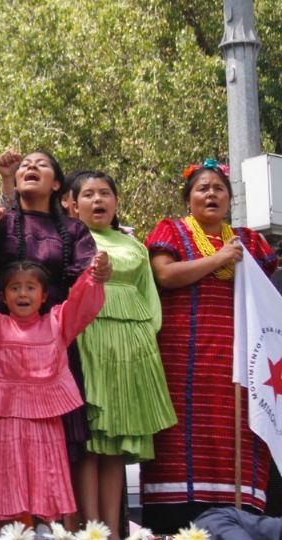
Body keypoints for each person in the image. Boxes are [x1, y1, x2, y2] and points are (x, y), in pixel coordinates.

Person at [140, 159, 279, 533]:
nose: (211, 194)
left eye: (219, 188)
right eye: (203, 188)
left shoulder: (249, 241)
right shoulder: (171, 230)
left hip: (239, 364)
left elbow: (266, 290)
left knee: (238, 434)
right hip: (183, 359)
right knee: (179, 438)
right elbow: (165, 274)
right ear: (189, 199)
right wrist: (218, 259)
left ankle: (239, 516)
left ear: (230, 200)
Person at [0, 254, 110, 530]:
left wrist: (93, 276)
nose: (23, 293)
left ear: (44, 295)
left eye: (30, 287)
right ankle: (11, 532)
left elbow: (81, 305)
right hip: (6, 416)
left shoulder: (58, 322)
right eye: (15, 287)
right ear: (4, 296)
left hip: (48, 417)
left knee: (47, 472)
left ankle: (48, 529)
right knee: (7, 473)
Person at [69, 171, 176, 537]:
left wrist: (146, 337)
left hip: (132, 348)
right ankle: (91, 528)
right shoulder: (71, 239)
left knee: (116, 442)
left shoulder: (135, 246)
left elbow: (150, 298)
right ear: (72, 204)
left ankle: (113, 531)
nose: (97, 200)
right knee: (91, 439)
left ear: (116, 201)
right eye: (88, 194)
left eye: (104, 193)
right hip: (88, 340)